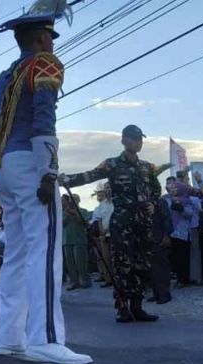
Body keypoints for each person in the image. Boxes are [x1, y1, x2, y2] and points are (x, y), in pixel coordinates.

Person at [0, 0, 92, 364]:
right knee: (43, 249)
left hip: (3, 164)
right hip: (31, 160)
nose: (52, 42)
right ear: (42, 38)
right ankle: (45, 338)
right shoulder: (43, 64)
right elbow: (45, 118)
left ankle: (8, 336)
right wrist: (48, 171)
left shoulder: (4, 77)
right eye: (50, 36)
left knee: (16, 252)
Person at [63, 125, 161, 322]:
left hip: (142, 222)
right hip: (122, 220)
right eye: (134, 138)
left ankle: (137, 307)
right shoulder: (112, 164)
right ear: (124, 140)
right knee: (122, 264)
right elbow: (89, 175)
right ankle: (123, 308)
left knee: (142, 264)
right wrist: (67, 180)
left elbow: (156, 189)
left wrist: (153, 203)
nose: (138, 142)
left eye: (140, 139)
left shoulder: (147, 167)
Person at [62, 194, 91, 290]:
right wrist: (67, 214)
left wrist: (74, 212)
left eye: (74, 199)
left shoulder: (83, 211)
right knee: (70, 263)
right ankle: (74, 281)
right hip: (66, 240)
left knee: (81, 262)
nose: (72, 201)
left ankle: (85, 280)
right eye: (71, 199)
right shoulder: (63, 212)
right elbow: (61, 224)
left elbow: (83, 222)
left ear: (78, 200)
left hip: (79, 240)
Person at [89, 187, 114, 287]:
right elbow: (99, 220)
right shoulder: (100, 206)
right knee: (105, 258)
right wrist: (102, 232)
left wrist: (108, 229)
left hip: (114, 233)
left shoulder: (114, 203)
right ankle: (108, 279)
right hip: (104, 235)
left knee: (115, 258)